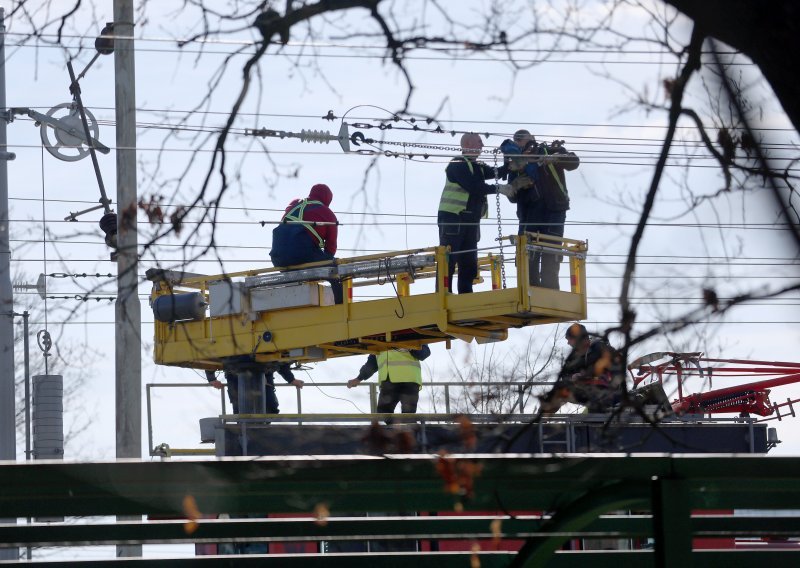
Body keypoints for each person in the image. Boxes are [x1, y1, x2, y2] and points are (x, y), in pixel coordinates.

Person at [502, 129, 580, 289]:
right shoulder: (517, 163)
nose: (521, 144)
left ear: (532, 140)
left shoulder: (547, 151)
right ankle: (529, 291)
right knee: (528, 253)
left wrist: (557, 158)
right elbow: (512, 197)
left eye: (522, 140)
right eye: (517, 142)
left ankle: (550, 292)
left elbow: (574, 162)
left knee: (551, 251)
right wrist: (516, 185)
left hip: (554, 209)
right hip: (529, 213)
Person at [437, 133, 513, 294]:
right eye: (479, 142)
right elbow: (474, 186)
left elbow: (496, 172)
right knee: (448, 261)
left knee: (469, 262)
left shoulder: (476, 166)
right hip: (453, 219)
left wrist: (508, 159)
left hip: (469, 221)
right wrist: (498, 189)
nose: (482, 146)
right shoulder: (457, 164)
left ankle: (465, 296)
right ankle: (443, 296)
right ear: (468, 144)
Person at [270, 183, 343, 304]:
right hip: (302, 254)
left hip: (278, 258)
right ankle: (341, 307)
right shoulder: (328, 214)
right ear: (327, 200)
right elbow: (330, 250)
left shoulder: (293, 205)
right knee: (336, 271)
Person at [539, 324, 621, 414]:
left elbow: (618, 366)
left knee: (596, 405)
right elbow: (565, 375)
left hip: (606, 392)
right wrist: (573, 378)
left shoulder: (600, 348)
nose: (568, 343)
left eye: (569, 339)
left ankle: (595, 422)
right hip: (587, 392)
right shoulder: (574, 357)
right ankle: (541, 417)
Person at [347, 346, 432, 414]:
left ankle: (404, 433)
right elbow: (372, 363)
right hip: (389, 381)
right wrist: (359, 378)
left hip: (408, 381)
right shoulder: (378, 340)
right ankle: (396, 433)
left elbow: (424, 353)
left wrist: (409, 346)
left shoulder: (409, 333)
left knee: (408, 416)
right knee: (383, 413)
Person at [205, 363, 304, 414]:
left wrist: (291, 379)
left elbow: (282, 360)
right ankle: (243, 434)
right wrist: (212, 379)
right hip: (236, 378)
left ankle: (265, 433)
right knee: (240, 410)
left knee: (270, 407)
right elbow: (213, 355)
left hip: (264, 376)